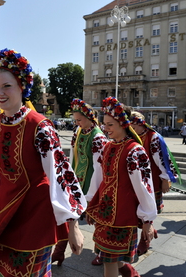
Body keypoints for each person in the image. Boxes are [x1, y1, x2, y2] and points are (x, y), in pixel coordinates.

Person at [0, 48, 86, 276]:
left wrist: (73, 224)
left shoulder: (40, 126)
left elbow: (60, 173)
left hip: (35, 213)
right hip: (3, 211)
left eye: (6, 86)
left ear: (22, 86)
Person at [86, 97, 157, 277]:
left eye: (110, 125)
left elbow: (144, 186)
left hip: (123, 216)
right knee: (111, 258)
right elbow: (98, 177)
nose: (105, 128)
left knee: (110, 261)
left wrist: (148, 219)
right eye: (104, 124)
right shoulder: (108, 147)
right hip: (104, 213)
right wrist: (90, 204)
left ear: (123, 124)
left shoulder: (135, 151)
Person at [52, 98, 108, 267]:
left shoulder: (98, 137)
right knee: (68, 216)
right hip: (76, 182)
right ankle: (59, 252)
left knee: (99, 219)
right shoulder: (78, 131)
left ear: (89, 117)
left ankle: (102, 252)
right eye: (75, 120)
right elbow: (72, 156)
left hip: (93, 184)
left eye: (79, 120)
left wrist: (93, 194)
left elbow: (100, 168)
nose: (76, 123)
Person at [129, 111, 179, 256]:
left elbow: (163, 160)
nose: (131, 128)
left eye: (133, 125)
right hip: (136, 181)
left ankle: (145, 241)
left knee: (148, 212)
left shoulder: (153, 137)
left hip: (152, 182)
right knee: (135, 212)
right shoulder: (132, 136)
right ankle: (149, 233)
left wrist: (165, 179)